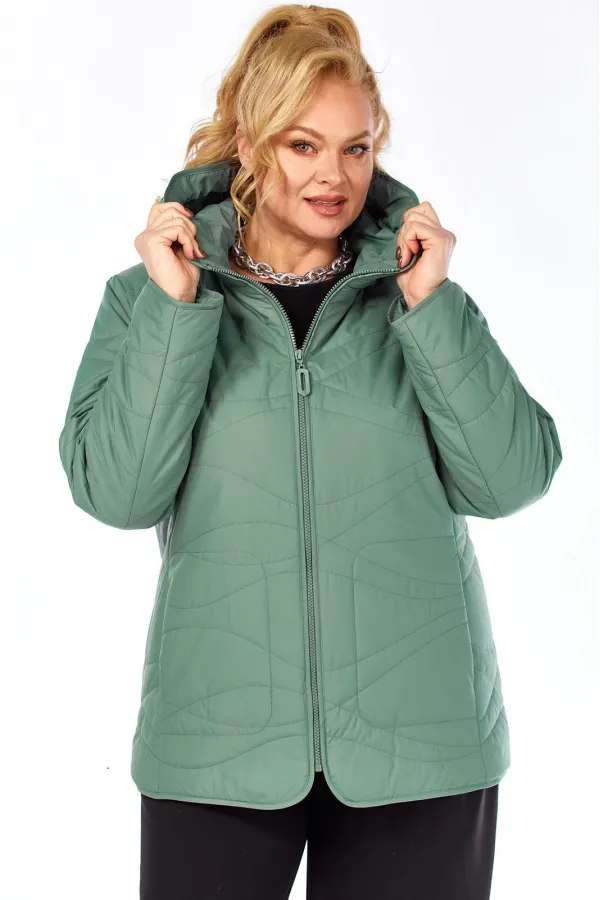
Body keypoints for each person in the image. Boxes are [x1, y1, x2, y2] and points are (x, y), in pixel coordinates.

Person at [57, 5, 563, 899]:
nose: (335, 176)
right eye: (303, 145)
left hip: (422, 746)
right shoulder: (152, 296)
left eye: (356, 148)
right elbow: (117, 494)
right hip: (216, 746)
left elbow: (512, 479)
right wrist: (176, 312)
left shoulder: (414, 292)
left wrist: (432, 309)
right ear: (249, 146)